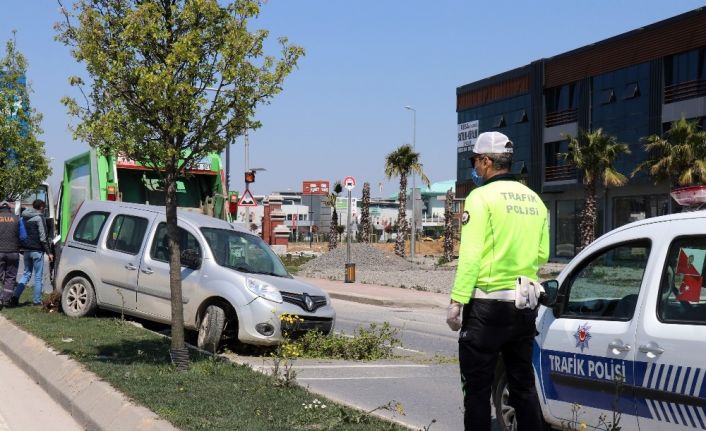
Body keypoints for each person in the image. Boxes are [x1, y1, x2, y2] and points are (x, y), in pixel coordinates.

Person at [447, 131, 549, 431]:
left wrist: (457, 301)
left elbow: (471, 255)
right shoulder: (535, 200)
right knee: (523, 387)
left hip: (487, 307)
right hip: (524, 306)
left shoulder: (480, 197)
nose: (475, 167)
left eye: (476, 161)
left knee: (477, 391)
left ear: (488, 161)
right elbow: (542, 254)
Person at [12, 199, 53, 306]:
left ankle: (15, 297)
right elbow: (43, 237)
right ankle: (36, 301)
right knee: (38, 276)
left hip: (26, 250)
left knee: (26, 274)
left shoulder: (23, 217)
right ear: (41, 207)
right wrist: (49, 252)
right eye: (43, 207)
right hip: (37, 251)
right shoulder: (39, 218)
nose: (44, 210)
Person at [0, 201, 23, 308]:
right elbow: (23, 237)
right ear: (10, 209)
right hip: (13, 252)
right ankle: (6, 300)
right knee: (10, 277)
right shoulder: (17, 219)